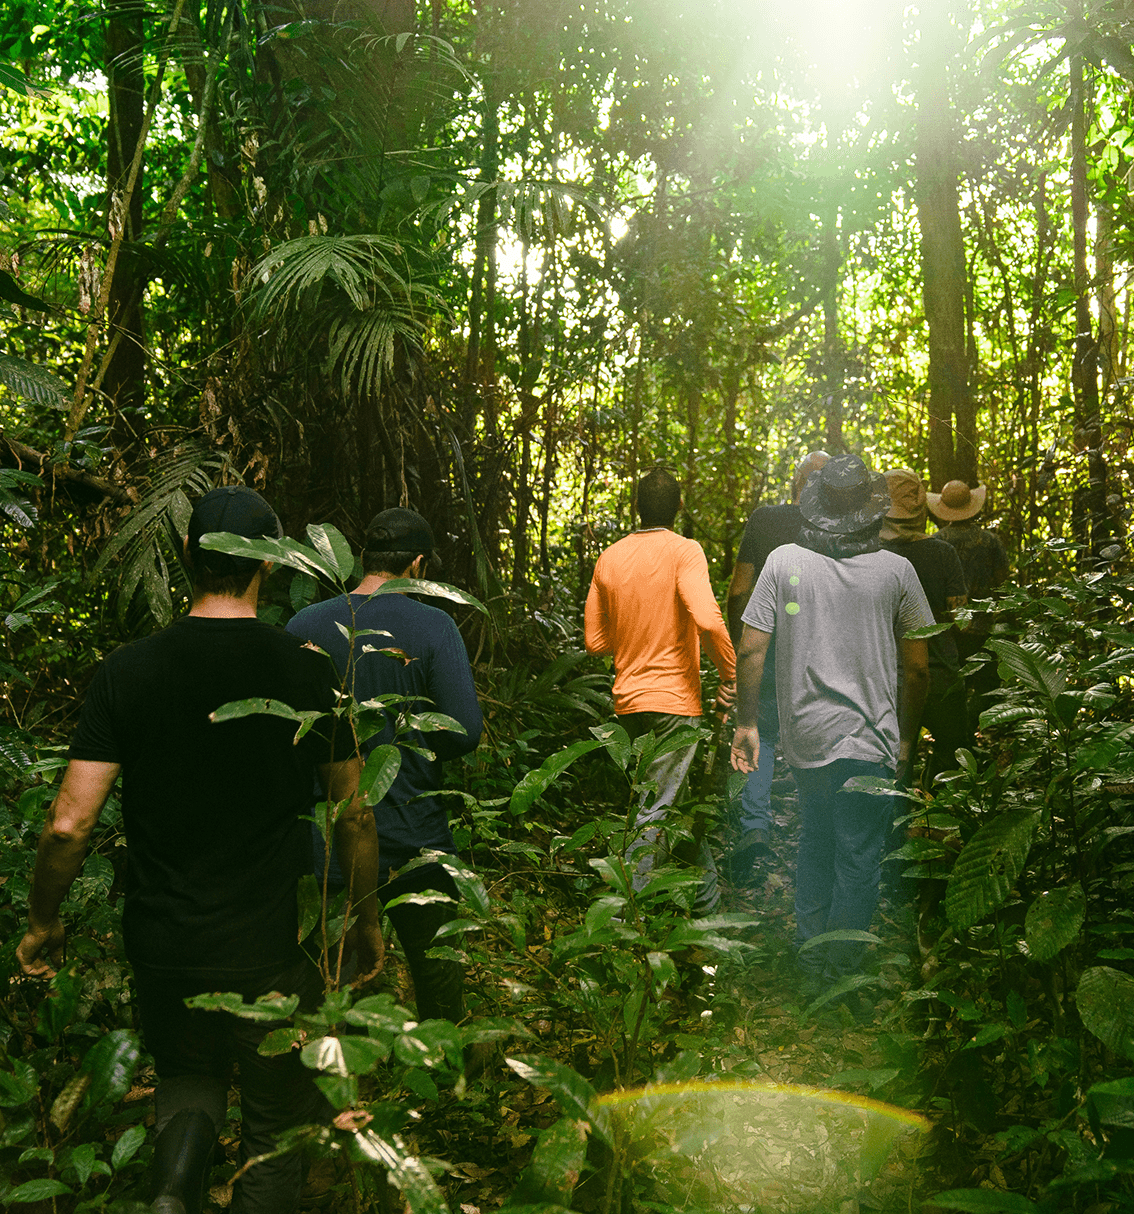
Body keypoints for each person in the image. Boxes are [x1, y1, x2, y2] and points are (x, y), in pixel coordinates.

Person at [16, 486, 382, 1214]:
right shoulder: (305, 667)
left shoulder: (129, 670)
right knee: (274, 1120)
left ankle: (171, 1196)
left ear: (186, 556)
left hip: (165, 935)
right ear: (267, 567)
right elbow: (356, 815)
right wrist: (365, 920)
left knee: (188, 1076)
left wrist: (42, 920)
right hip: (273, 941)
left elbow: (67, 824)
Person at [730, 455, 932, 1009]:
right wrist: (908, 738)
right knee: (860, 855)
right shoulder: (897, 572)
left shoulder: (783, 560)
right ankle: (843, 972)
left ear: (816, 507)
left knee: (816, 841)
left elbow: (751, 646)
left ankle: (809, 956)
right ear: (871, 509)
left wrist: (746, 722)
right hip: (873, 741)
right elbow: (917, 667)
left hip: (806, 739)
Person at [287, 507, 483, 1024]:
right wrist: (410, 744)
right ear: (417, 565)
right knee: (436, 970)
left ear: (363, 559)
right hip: (416, 831)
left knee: (330, 984)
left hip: (327, 836)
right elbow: (466, 730)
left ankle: (331, 1088)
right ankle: (450, 1082)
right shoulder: (435, 625)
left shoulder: (304, 624)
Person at [584, 467, 736, 908]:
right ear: (680, 507)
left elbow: (595, 642)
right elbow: (708, 619)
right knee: (658, 812)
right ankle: (621, 918)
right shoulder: (685, 551)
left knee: (669, 803)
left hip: (629, 705)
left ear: (636, 507)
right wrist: (731, 676)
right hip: (674, 706)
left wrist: (634, 630)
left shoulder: (609, 557)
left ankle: (706, 908)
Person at [724, 450, 829, 882]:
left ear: (795, 484)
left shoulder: (766, 519)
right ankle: (818, 831)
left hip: (766, 642)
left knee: (760, 730)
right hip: (819, 647)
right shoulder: (839, 529)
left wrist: (741, 642)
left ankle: (755, 825)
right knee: (820, 731)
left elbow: (738, 591)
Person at [880, 468, 969, 786]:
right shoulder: (942, 553)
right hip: (942, 678)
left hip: (887, 683)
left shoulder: (871, 555)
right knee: (954, 769)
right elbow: (961, 617)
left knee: (891, 770)